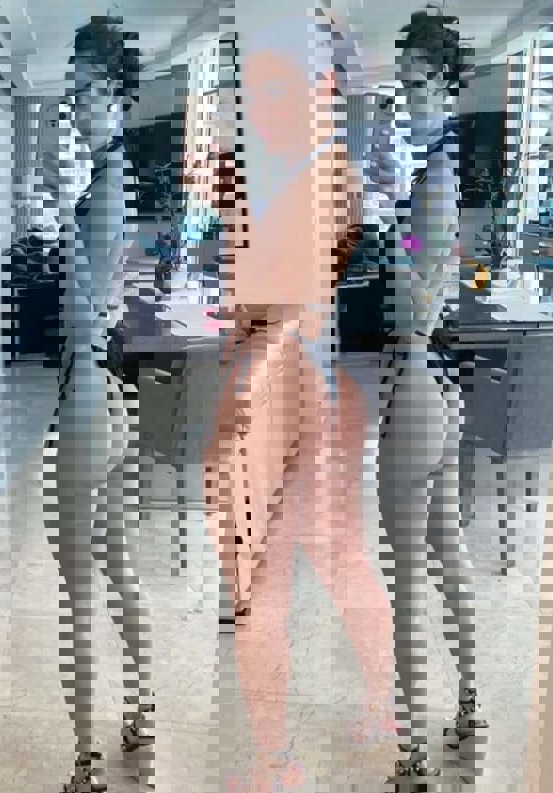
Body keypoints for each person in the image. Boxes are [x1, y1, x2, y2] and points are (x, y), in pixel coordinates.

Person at [201, 13, 395, 793]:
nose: (257, 107)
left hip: (286, 388)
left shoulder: (323, 179)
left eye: (275, 89)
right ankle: (355, 720)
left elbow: (273, 298)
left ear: (323, 87)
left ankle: (285, 759)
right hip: (288, 383)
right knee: (312, 570)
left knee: (281, 581)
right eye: (251, 93)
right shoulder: (292, 174)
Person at [37, 16, 155, 792]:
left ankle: (84, 765)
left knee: (79, 595)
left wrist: (57, 219)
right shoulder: (119, 181)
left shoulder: (106, 189)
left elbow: (87, 314)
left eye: (86, 92)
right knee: (116, 568)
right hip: (112, 399)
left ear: (115, 94)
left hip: (89, 399)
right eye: (73, 93)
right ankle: (141, 711)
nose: (76, 107)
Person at [375, 5, 489, 785]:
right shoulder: (440, 171)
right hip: (440, 384)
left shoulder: (434, 180)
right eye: (405, 87)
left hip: (418, 379)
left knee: (407, 578)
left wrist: (390, 236)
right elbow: (433, 267)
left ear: (448, 88)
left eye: (419, 87)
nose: (409, 101)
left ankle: (412, 754)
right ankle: (470, 699)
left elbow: (416, 300)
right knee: (444, 549)